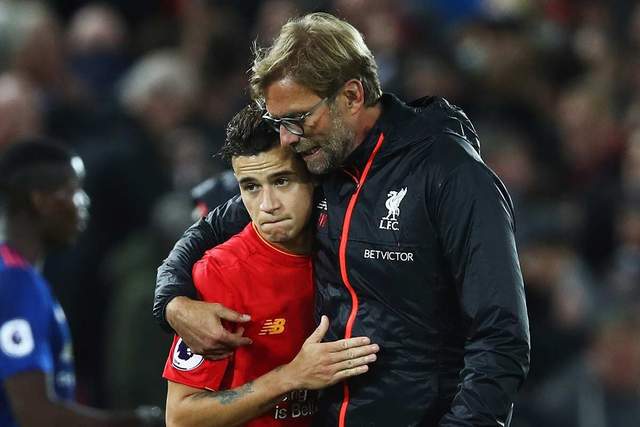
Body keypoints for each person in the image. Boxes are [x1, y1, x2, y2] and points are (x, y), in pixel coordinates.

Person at [154, 12, 530, 426]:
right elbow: (206, 231)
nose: (287, 139)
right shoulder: (315, 165)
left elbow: (501, 338)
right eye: (280, 123)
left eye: (298, 118)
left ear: (352, 95)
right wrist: (173, 302)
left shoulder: (450, 174)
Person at [163, 105, 379, 427]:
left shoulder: (348, 254)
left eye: (282, 181)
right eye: (250, 186)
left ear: (314, 176)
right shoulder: (222, 273)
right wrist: (290, 377)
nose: (267, 205)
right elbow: (181, 418)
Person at [0, 139, 163, 427]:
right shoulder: (15, 282)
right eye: (74, 189)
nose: (84, 201)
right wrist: (135, 422)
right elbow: (34, 414)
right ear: (41, 200)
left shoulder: (18, 276)